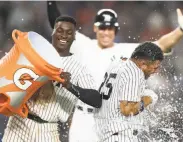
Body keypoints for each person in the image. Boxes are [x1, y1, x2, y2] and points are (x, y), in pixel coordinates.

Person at [47, 2, 183, 142]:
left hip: (111, 120)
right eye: (102, 27)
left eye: (110, 28)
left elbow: (161, 45)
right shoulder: (83, 44)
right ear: (95, 28)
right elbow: (57, 24)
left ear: (116, 30)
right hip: (83, 119)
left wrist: (181, 30)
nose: (106, 32)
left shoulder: (127, 50)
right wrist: (50, 2)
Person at [2, 16, 102, 142]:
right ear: (53, 32)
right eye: (60, 30)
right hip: (19, 123)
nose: (64, 35)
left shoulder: (78, 69)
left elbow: (97, 100)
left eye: (69, 32)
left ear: (75, 37)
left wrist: (70, 86)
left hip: (48, 130)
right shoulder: (33, 50)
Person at [95, 42, 164, 142]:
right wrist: (149, 98)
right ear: (143, 64)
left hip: (104, 130)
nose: (156, 71)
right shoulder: (134, 72)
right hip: (119, 135)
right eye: (155, 67)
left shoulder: (118, 62)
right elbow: (127, 110)